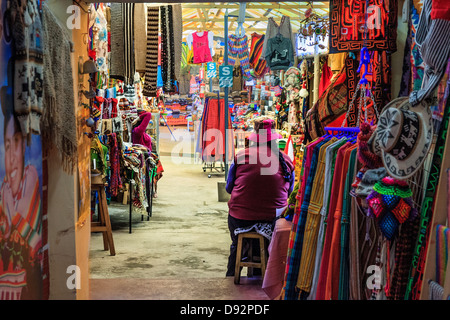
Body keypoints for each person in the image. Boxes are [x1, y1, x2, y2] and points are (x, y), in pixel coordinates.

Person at [225, 118, 295, 276]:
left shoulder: (241, 156)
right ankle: (262, 271)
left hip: (240, 219)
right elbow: (289, 193)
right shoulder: (286, 160)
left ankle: (234, 267)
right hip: (272, 221)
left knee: (237, 242)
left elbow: (229, 188)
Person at [0, 86, 43, 299]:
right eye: (7, 145)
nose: (10, 156)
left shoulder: (31, 175)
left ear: (25, 147)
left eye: (16, 142)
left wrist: (10, 210)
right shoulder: (5, 190)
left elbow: (34, 241)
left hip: (27, 287)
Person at [131, 111, 163, 198]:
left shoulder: (139, 132)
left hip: (147, 156)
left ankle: (152, 190)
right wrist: (139, 118)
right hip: (143, 158)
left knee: (154, 173)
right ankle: (148, 193)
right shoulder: (138, 131)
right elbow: (148, 114)